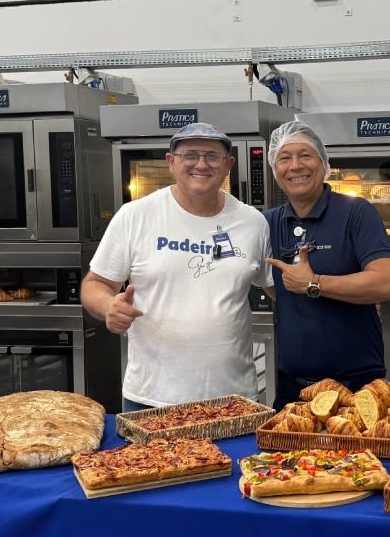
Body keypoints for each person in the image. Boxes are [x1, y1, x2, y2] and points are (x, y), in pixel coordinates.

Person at [81, 122, 272, 409]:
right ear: (171, 163)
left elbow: (279, 290)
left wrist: (325, 286)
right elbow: (95, 284)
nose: (201, 164)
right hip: (151, 399)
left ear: (228, 165)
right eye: (190, 155)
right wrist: (108, 306)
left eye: (212, 156)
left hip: (234, 398)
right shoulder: (135, 215)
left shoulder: (252, 222)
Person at [264, 120, 390, 406]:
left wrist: (314, 284)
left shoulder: (355, 212)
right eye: (284, 158)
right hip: (294, 388)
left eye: (306, 155)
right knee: (286, 453)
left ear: (323, 164)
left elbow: (387, 283)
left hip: (356, 384)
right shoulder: (269, 222)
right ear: (275, 170)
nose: (295, 165)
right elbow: (268, 281)